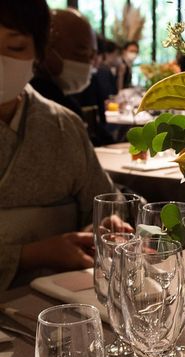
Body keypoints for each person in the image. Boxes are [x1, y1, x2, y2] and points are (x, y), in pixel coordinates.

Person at [0, 0, 115, 290]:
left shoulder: (64, 125)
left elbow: (102, 205)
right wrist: (30, 254)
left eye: (14, 47)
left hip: (64, 300)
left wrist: (108, 225)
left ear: (39, 53)